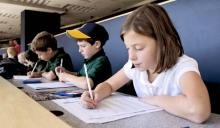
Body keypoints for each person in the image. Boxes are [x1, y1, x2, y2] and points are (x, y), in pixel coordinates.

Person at [80, 4, 210, 123]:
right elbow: (109, 85)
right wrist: (96, 94)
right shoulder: (134, 65)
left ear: (163, 42)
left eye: (138, 48)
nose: (131, 56)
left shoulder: (183, 67)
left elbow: (199, 111)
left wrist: (156, 100)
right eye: (128, 48)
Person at [55, 23, 112, 89]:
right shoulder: (90, 59)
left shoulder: (101, 61)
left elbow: (87, 83)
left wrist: (66, 76)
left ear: (97, 44)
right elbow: (80, 75)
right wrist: (67, 72)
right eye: (79, 46)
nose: (79, 50)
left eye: (83, 46)